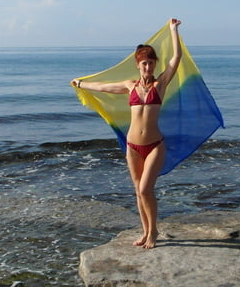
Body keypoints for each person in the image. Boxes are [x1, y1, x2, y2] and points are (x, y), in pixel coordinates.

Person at [71, 18, 182, 249]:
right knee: (138, 192)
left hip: (154, 146)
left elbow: (175, 59)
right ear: (137, 65)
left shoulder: (159, 85)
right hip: (132, 147)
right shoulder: (130, 86)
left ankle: (154, 232)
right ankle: (144, 232)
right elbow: (103, 87)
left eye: (151, 63)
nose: (148, 67)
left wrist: (173, 31)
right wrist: (81, 84)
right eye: (144, 64)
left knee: (145, 189)